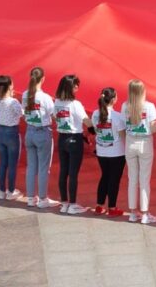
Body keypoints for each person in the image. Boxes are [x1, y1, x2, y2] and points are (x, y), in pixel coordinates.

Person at [122, 79, 156, 223]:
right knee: (144, 179)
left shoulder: (125, 106)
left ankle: (133, 212)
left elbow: (122, 124)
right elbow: (153, 128)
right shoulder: (149, 107)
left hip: (130, 142)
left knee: (132, 178)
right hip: (145, 143)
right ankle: (145, 213)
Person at [21, 66, 57, 208]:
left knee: (31, 166)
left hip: (29, 131)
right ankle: (42, 199)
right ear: (43, 79)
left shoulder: (25, 94)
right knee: (43, 167)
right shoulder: (45, 97)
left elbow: (24, 112)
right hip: (42, 132)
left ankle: (31, 198)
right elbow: (54, 114)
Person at [52, 73, 87, 213]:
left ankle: (64, 203)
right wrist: (93, 129)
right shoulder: (75, 104)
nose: (77, 87)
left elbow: (55, 117)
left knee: (63, 171)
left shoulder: (57, 102)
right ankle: (72, 204)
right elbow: (86, 120)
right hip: (74, 139)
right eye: (75, 85)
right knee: (73, 173)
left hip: (62, 138)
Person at [91, 86, 126, 216]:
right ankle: (112, 207)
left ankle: (99, 205)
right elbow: (123, 136)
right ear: (113, 99)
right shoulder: (118, 117)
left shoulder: (95, 114)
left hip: (101, 151)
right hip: (117, 153)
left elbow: (95, 129)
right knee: (114, 180)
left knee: (105, 176)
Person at [0, 74, 22, 200]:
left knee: (3, 162)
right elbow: (21, 113)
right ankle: (11, 191)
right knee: (12, 163)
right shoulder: (13, 102)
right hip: (11, 132)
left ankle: (1, 190)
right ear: (9, 86)